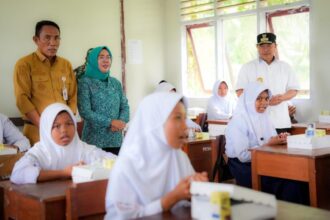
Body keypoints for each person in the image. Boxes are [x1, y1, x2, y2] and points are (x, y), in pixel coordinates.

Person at [105, 92, 208, 219]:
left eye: (184, 118)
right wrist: (170, 199)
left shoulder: (179, 157)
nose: (185, 126)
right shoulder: (127, 166)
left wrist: (198, 189)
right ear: (155, 122)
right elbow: (122, 217)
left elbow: (189, 203)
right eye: (177, 118)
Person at [225, 82, 308, 204]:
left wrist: (280, 139)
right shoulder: (238, 121)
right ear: (248, 100)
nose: (264, 102)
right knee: (290, 184)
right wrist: (269, 144)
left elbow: (271, 140)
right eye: (258, 99)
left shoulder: (265, 117)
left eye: (266, 98)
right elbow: (243, 156)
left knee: (299, 178)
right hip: (244, 167)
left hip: (264, 161)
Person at [10, 103, 116, 184]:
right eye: (56, 126)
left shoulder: (83, 149)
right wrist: (64, 173)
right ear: (46, 129)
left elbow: (116, 162)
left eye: (69, 124)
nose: (64, 130)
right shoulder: (39, 152)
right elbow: (17, 174)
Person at [13, 20, 77, 145]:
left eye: (56, 38)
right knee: (39, 165)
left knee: (67, 164)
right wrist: (45, 125)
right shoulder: (24, 64)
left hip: (64, 133)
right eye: (47, 38)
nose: (53, 43)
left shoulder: (66, 65)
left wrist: (67, 124)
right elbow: (22, 99)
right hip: (36, 132)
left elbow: (72, 97)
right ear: (36, 40)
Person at [235, 32, 300, 134]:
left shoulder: (285, 67)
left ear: (275, 46)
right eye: (262, 46)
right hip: (256, 123)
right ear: (257, 47)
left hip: (280, 121)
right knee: (258, 150)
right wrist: (263, 102)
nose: (265, 49)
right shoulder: (247, 67)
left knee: (280, 150)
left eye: (269, 45)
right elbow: (240, 92)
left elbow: (294, 90)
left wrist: (281, 98)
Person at [77, 46, 129, 155]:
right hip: (94, 142)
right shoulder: (85, 82)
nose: (106, 60)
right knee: (95, 171)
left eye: (108, 57)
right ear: (93, 61)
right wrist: (110, 122)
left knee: (114, 171)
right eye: (101, 57)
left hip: (115, 140)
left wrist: (121, 122)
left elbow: (124, 106)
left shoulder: (116, 83)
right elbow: (85, 111)